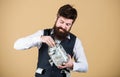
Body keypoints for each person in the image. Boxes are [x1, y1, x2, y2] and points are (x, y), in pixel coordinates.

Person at [14, 4, 88, 77]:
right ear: (56, 19)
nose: (63, 26)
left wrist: (72, 65)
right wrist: (40, 38)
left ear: (72, 24)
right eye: (61, 22)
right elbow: (17, 45)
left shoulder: (76, 41)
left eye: (68, 24)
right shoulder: (42, 33)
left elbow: (85, 67)